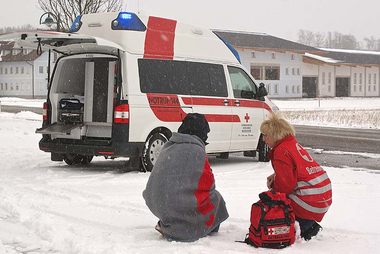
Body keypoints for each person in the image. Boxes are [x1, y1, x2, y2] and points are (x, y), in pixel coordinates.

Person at [143, 113, 229, 242]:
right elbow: (209, 185)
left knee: (176, 198)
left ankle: (171, 223)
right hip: (174, 205)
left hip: (156, 203)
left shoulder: (168, 145)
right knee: (216, 199)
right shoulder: (197, 150)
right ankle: (187, 228)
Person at [260, 113, 332, 241]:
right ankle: (307, 222)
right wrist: (276, 175)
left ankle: (302, 225)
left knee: (274, 199)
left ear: (275, 136)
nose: (263, 139)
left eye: (265, 135)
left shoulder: (281, 151)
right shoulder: (291, 144)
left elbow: (285, 187)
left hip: (310, 201)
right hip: (322, 195)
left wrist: (272, 189)